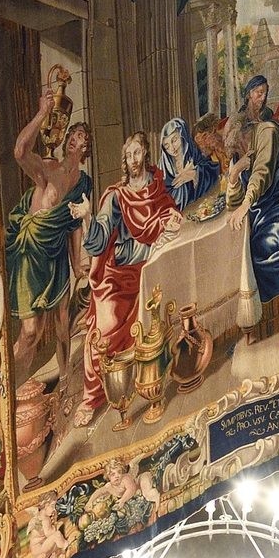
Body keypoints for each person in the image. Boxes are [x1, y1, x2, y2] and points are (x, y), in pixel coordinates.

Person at [77, 131, 181, 427]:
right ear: (124, 160)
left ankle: (154, 382)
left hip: (150, 265)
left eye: (137, 153)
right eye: (129, 155)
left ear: (145, 155)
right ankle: (92, 397)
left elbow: (168, 212)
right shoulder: (115, 196)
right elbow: (97, 241)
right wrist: (87, 217)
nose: (133, 159)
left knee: (161, 314)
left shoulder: (156, 185)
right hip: (119, 274)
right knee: (105, 330)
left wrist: (172, 219)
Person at [5, 88, 93, 390]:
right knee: (30, 332)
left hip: (56, 257)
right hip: (31, 254)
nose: (74, 137)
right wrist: (42, 113)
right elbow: (19, 152)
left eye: (80, 135)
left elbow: (72, 225)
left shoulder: (82, 182)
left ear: (86, 147)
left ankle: (66, 382)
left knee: (62, 324)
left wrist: (78, 263)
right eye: (72, 132)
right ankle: (8, 390)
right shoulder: (49, 168)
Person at [227, 75, 279, 334]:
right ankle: (267, 306)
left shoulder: (265, 131)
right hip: (266, 201)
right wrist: (233, 173)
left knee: (268, 241)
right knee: (254, 240)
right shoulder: (243, 151)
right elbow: (233, 198)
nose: (239, 146)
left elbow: (262, 173)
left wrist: (246, 204)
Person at [159, 115, 220, 214]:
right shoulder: (164, 168)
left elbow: (214, 170)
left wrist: (195, 174)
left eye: (174, 140)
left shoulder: (194, 153)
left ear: (182, 136)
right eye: (167, 146)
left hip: (200, 208)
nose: (172, 148)